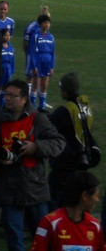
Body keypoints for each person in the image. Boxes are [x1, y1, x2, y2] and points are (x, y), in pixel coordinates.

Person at [0, 79, 65, 251]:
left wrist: (36, 147)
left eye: (12, 95)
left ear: (24, 98)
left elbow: (58, 143)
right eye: (5, 94)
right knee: (13, 233)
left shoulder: (38, 119)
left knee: (41, 234)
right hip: (8, 185)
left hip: (34, 185)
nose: (7, 98)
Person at [29, 171, 106, 251]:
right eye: (96, 195)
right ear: (85, 196)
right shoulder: (50, 223)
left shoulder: (95, 226)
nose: (97, 200)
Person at [48, 72, 96, 209]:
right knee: (77, 194)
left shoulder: (66, 110)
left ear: (65, 90)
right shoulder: (85, 104)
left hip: (66, 160)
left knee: (57, 193)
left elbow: (48, 124)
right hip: (84, 156)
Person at [31, 14, 56, 112]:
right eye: (45, 23)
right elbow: (33, 52)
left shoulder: (51, 37)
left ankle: (41, 106)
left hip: (48, 61)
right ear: (40, 24)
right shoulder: (36, 36)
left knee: (44, 85)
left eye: (48, 23)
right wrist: (34, 66)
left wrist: (52, 66)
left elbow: (53, 52)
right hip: (38, 60)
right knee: (36, 83)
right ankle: (32, 105)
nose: (47, 25)